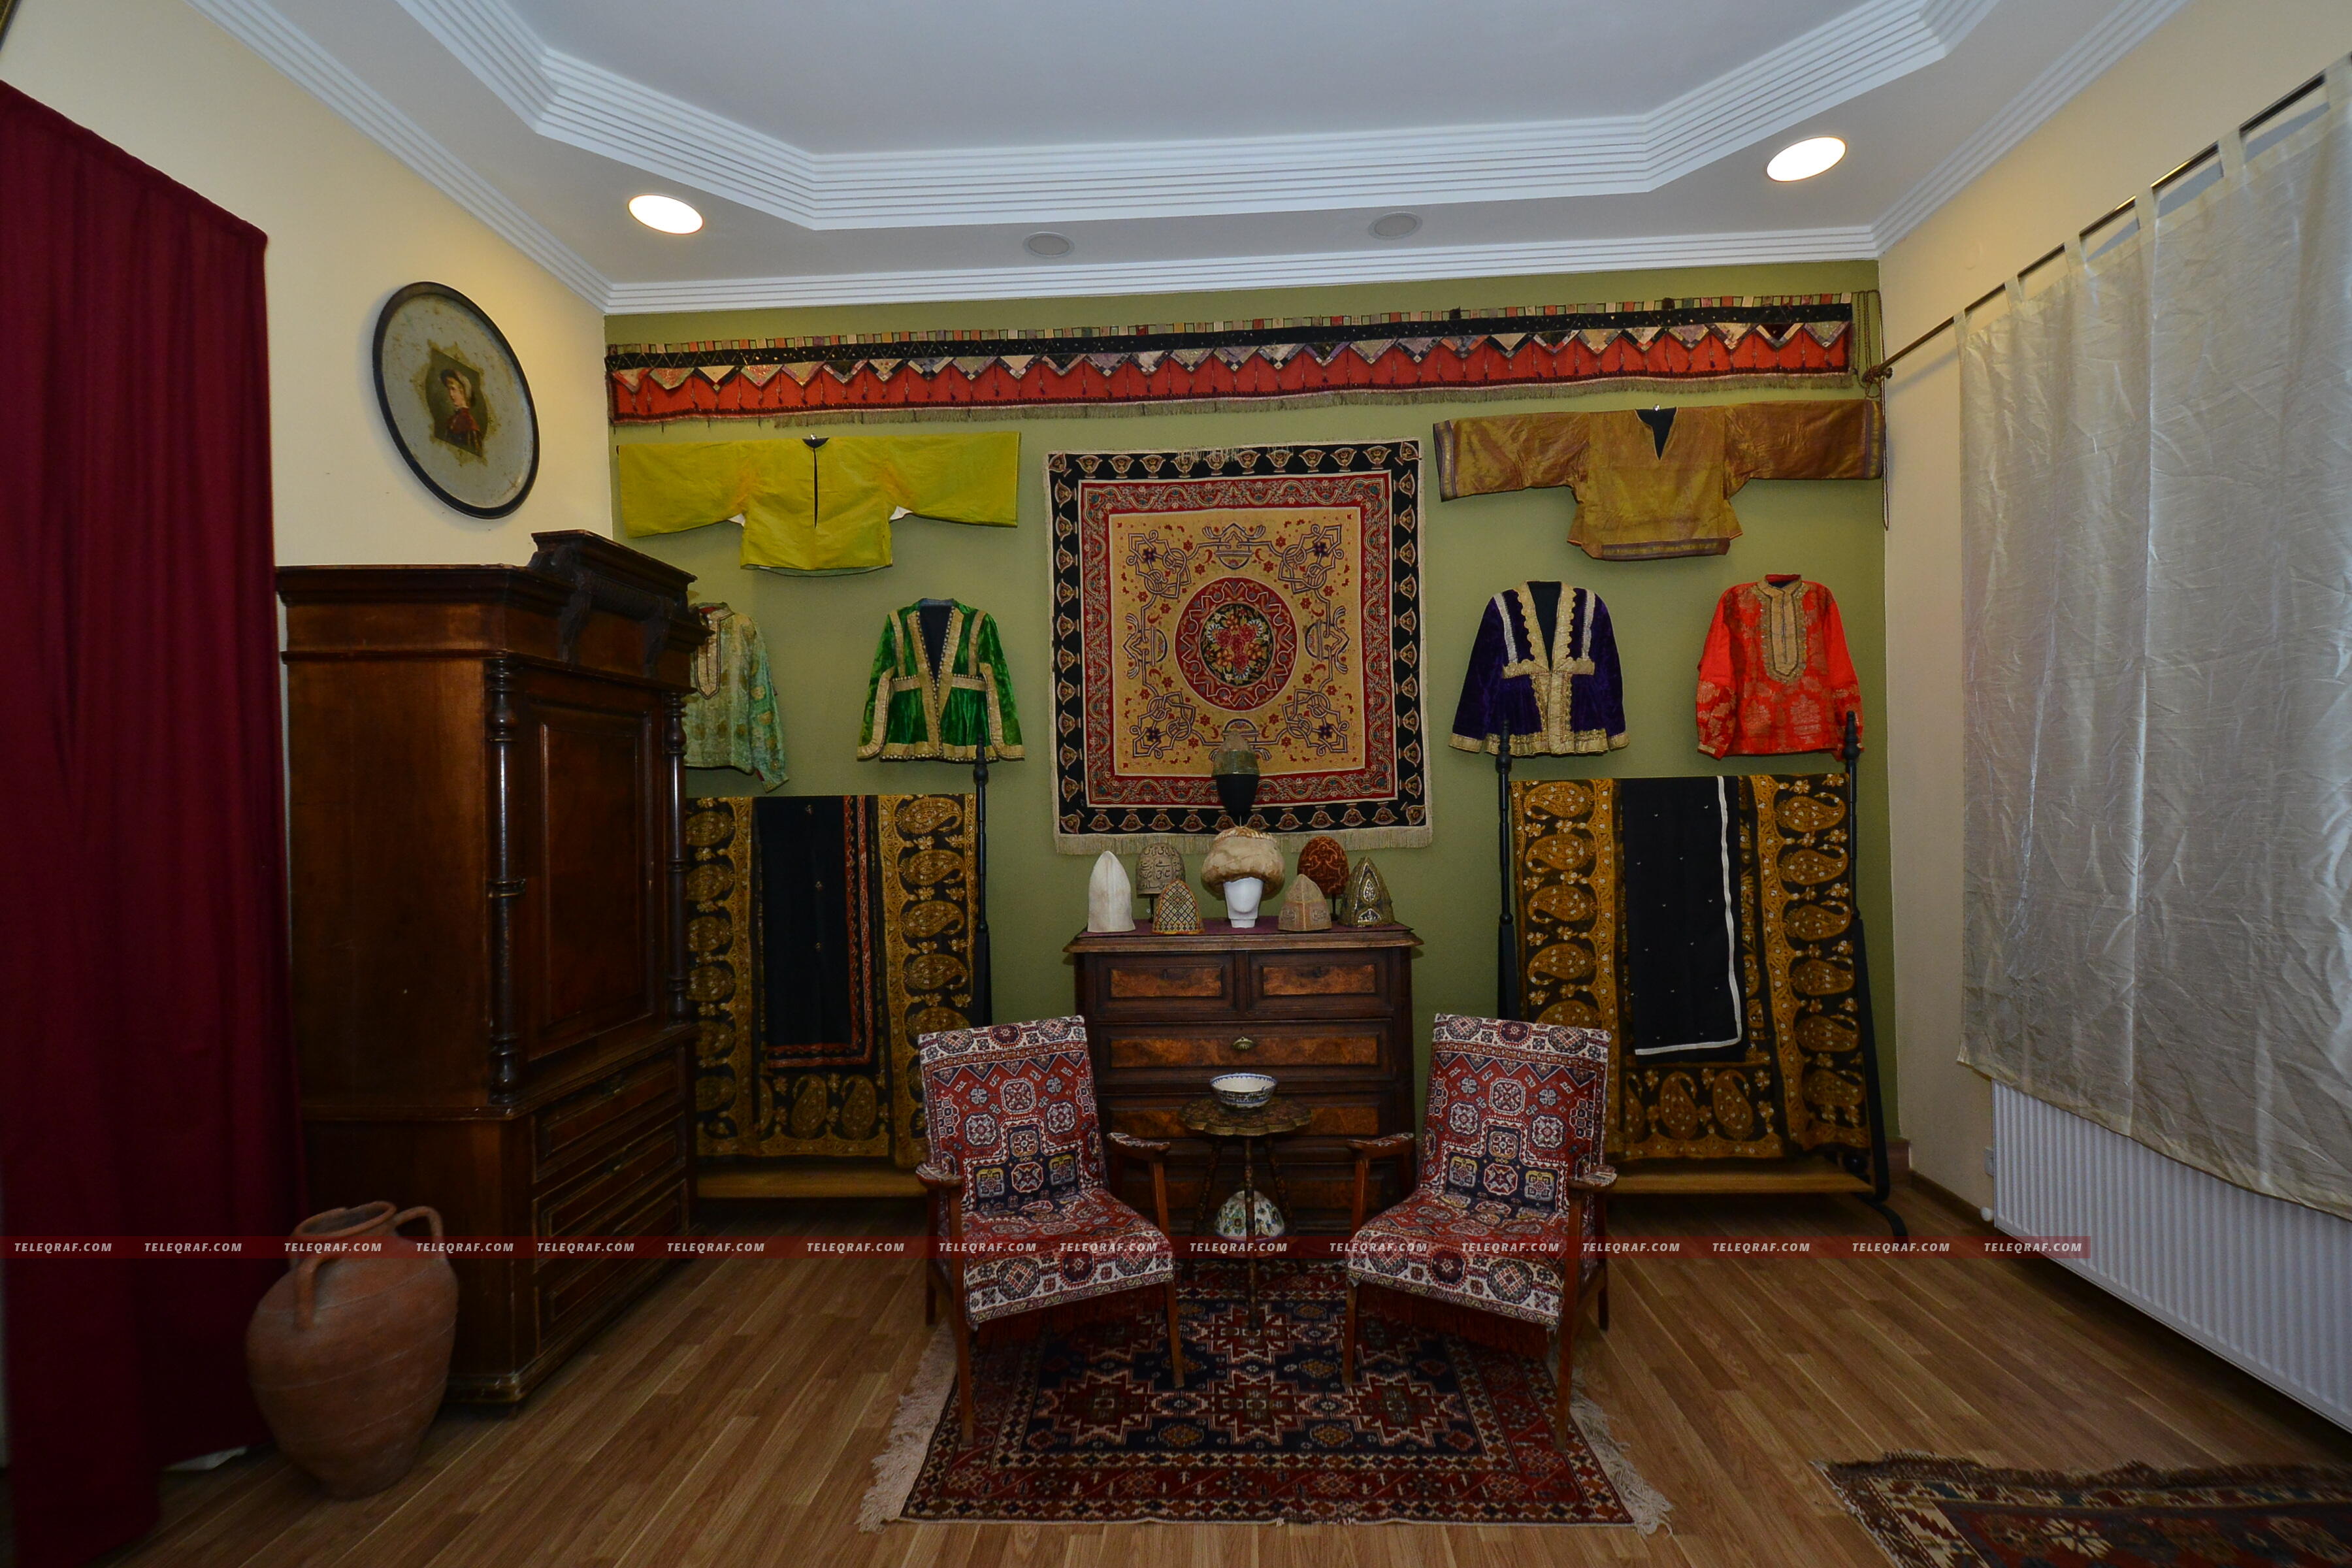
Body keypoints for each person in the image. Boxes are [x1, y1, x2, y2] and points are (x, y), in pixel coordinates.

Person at [439, 368, 483, 455]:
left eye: (453, 389)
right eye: (449, 389)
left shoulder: (469, 423)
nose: (451, 394)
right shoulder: (452, 420)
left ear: (463, 392)